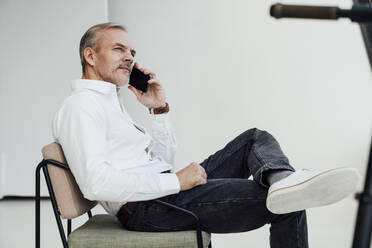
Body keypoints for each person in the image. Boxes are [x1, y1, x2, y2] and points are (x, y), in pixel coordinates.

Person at [52, 22, 360, 248]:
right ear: (90, 56)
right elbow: (96, 184)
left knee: (255, 139)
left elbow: (161, 161)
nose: (130, 57)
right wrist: (176, 181)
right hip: (149, 208)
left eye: (132, 51)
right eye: (118, 49)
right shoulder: (82, 107)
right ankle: (285, 186)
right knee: (288, 204)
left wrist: (159, 110)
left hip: (161, 195)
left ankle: (282, 180)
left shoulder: (110, 103)